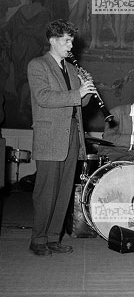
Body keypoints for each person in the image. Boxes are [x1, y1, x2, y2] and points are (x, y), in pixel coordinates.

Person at [27, 19, 95, 256]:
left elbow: (80, 103)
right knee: (46, 191)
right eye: (66, 40)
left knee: (64, 191)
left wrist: (87, 89)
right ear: (52, 40)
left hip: (71, 136)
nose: (71, 45)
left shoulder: (72, 69)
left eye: (72, 40)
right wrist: (77, 92)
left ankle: (54, 237)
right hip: (50, 137)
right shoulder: (37, 65)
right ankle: (38, 239)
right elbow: (44, 97)